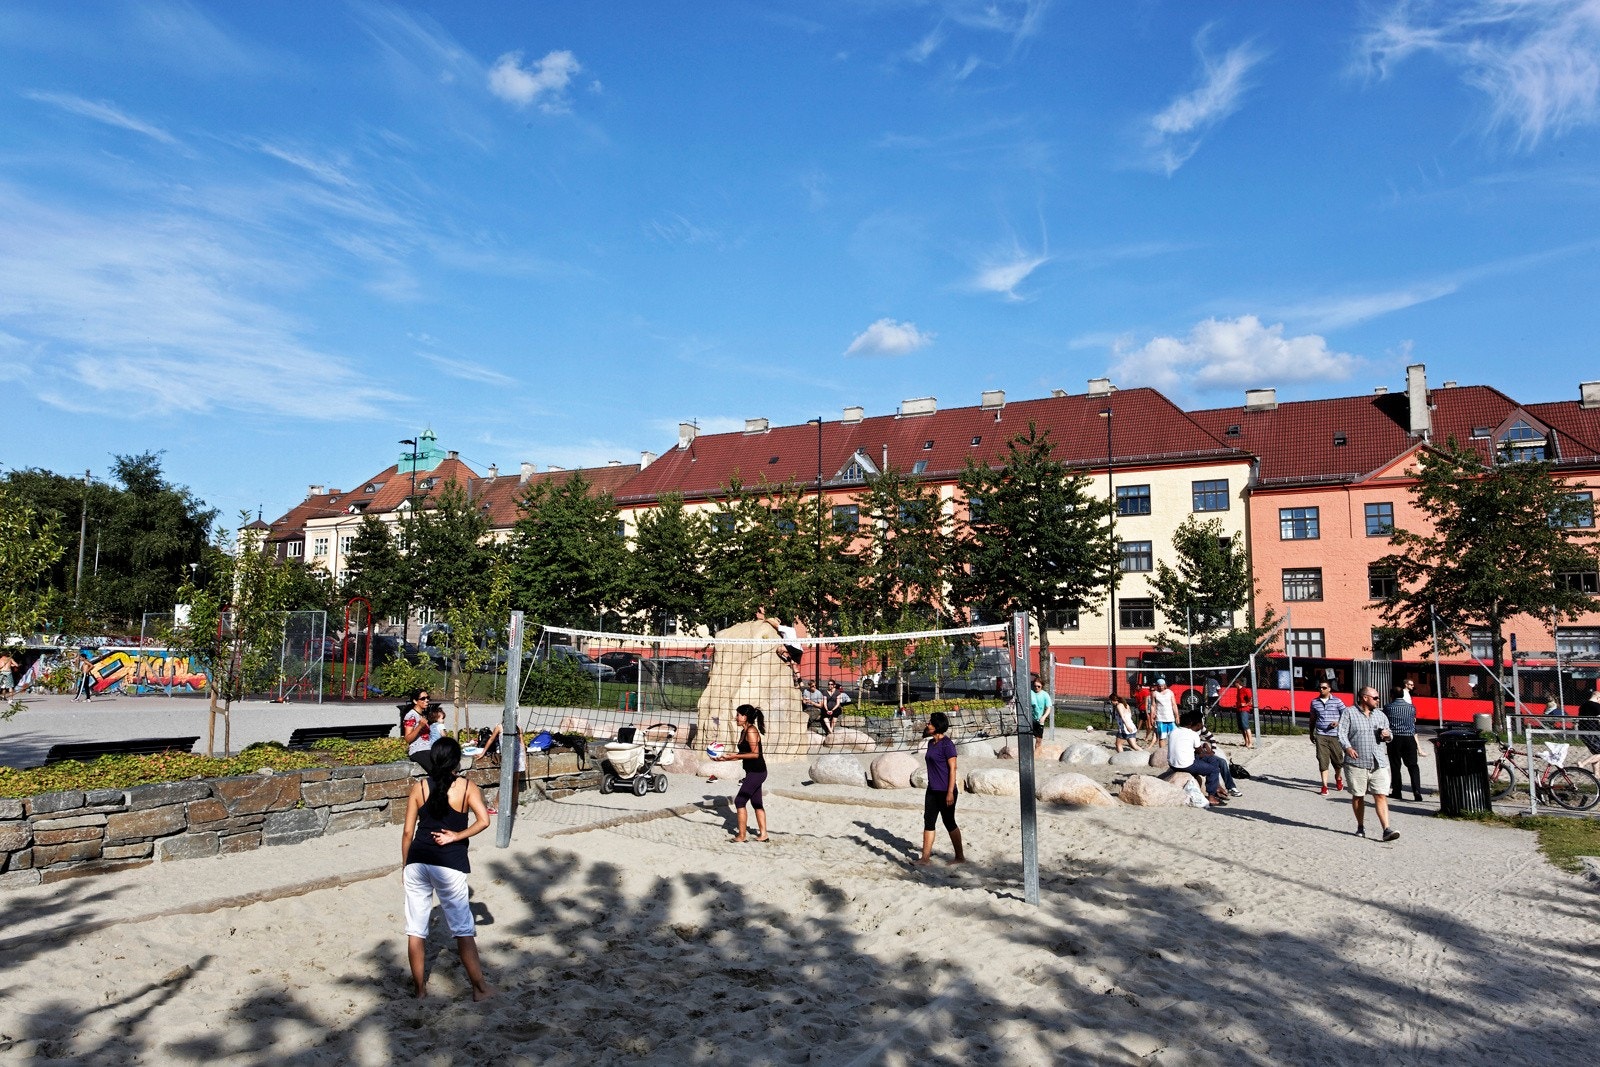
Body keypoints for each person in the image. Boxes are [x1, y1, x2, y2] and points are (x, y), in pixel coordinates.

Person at [401, 735, 494, 1000]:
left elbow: (408, 832)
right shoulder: (466, 788)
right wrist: (456, 836)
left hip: (417, 860)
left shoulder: (419, 787)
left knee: (416, 929)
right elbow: (484, 821)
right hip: (449, 862)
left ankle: (420, 991)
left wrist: (405, 866)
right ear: (456, 761)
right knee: (462, 929)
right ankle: (480, 989)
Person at [1338, 687, 1400, 841]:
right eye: (1376, 697)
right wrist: (1348, 747)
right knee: (1358, 795)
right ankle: (1360, 826)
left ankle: (1386, 829)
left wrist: (1387, 736)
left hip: (1378, 762)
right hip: (1356, 763)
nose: (1378, 700)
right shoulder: (1349, 713)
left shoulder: (1381, 715)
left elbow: (1389, 734)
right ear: (1365, 698)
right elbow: (1341, 733)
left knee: (1380, 795)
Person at [713, 704, 769, 842]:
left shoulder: (751, 731)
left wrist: (734, 756)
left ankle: (742, 836)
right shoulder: (743, 731)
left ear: (745, 716)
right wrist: (724, 758)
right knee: (756, 803)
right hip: (752, 772)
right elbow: (744, 753)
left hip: (758, 771)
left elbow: (755, 754)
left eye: (738, 715)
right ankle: (763, 834)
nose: (736, 717)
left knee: (739, 801)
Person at [918, 711, 964, 865]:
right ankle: (925, 858)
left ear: (937, 727)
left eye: (930, 723)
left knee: (949, 821)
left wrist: (950, 792)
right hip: (932, 790)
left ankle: (959, 857)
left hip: (946, 790)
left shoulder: (947, 744)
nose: (927, 724)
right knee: (929, 822)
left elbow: (953, 769)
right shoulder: (931, 743)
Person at [1168, 709, 1239, 804]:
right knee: (1213, 770)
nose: (1202, 725)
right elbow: (1200, 753)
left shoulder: (1173, 731)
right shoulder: (1192, 734)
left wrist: (1208, 754)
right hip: (1186, 764)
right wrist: (1209, 752)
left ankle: (1217, 787)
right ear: (1194, 723)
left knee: (1213, 760)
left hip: (1172, 764)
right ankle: (1211, 797)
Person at [1384, 684, 1423, 802]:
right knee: (1413, 765)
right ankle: (1417, 790)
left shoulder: (1388, 707)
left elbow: (1385, 721)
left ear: (1392, 695)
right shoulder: (1411, 707)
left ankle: (1397, 791)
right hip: (1409, 738)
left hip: (1395, 738)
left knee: (1395, 765)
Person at [1310, 681, 1346, 795]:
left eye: (1324, 687)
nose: (1321, 689)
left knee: (1338, 761)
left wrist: (1338, 722)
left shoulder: (1337, 701)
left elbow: (1346, 715)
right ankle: (1324, 786)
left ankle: (1338, 777)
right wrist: (1311, 733)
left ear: (1329, 689)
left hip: (1335, 735)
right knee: (1322, 760)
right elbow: (1312, 718)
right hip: (1321, 735)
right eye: (1320, 687)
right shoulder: (1314, 702)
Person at [402, 691, 442, 773]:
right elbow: (408, 739)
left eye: (428, 698)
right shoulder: (411, 715)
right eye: (423, 698)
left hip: (428, 748)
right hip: (418, 750)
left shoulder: (421, 715)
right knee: (437, 772)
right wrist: (420, 726)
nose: (427, 700)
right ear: (415, 701)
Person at [1029, 677, 1051, 754]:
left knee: (1038, 739)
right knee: (1027, 738)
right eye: (1035, 686)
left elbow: (1049, 708)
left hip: (1039, 719)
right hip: (1029, 718)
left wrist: (1044, 717)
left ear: (1042, 686)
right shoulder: (1030, 693)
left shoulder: (1045, 695)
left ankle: (1036, 755)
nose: (1036, 688)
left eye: (1039, 686)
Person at [1233, 682, 1254, 749]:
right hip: (1239, 709)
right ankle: (1246, 741)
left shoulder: (1245, 690)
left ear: (1238, 683)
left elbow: (1251, 699)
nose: (1234, 685)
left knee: (1246, 726)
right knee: (1242, 727)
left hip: (1244, 709)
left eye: (1235, 684)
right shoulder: (1238, 690)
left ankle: (1250, 743)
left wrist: (1245, 704)